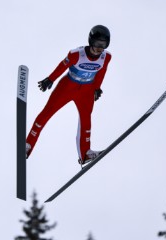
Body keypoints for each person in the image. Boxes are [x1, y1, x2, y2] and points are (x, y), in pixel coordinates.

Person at [26, 25, 112, 165]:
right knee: (47, 112)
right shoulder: (76, 54)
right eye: (97, 44)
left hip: (86, 91)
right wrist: (50, 79)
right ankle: (28, 144)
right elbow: (62, 65)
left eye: (103, 45)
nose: (99, 48)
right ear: (91, 41)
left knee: (86, 121)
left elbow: (102, 72)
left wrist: (97, 88)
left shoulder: (106, 57)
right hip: (67, 87)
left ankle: (85, 154)